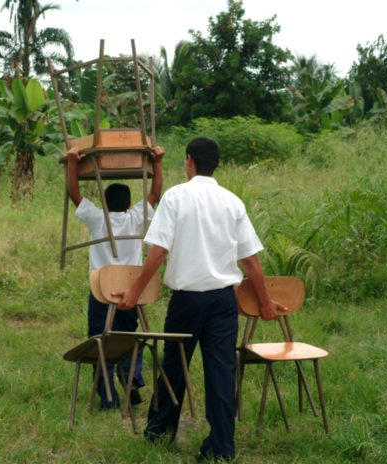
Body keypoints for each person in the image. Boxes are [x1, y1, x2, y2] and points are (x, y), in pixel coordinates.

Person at [113, 138, 285, 461]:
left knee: (174, 367)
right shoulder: (232, 202)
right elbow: (251, 262)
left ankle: (160, 432)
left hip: (187, 301)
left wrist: (134, 293)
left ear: (189, 161)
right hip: (224, 302)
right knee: (221, 371)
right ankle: (221, 447)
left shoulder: (176, 197)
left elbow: (159, 251)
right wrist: (264, 302)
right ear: (215, 164)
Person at [66, 145, 164, 409]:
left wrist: (73, 164)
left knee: (99, 339)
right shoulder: (135, 217)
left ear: (105, 203)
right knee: (130, 335)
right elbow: (155, 192)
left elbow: (74, 193)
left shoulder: (98, 218)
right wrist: (159, 162)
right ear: (129, 204)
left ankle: (107, 395)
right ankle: (131, 376)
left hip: (102, 291)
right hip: (132, 291)